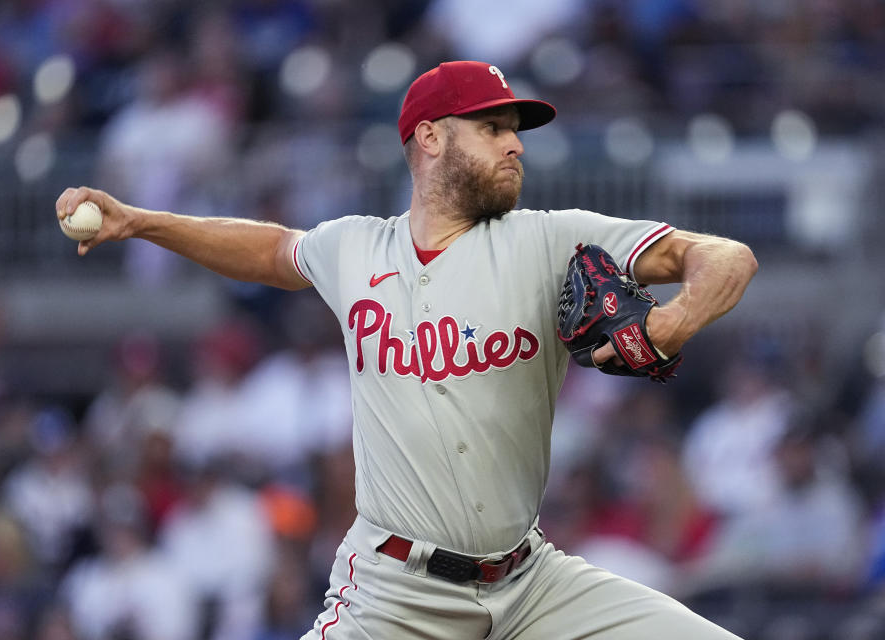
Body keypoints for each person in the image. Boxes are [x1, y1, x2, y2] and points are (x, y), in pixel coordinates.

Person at [56, 60, 757, 639]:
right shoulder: (354, 247)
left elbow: (724, 256)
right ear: (429, 137)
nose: (514, 144)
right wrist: (142, 221)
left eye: (515, 130)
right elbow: (271, 251)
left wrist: (673, 321)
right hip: (393, 596)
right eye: (491, 128)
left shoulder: (549, 238)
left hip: (533, 584)